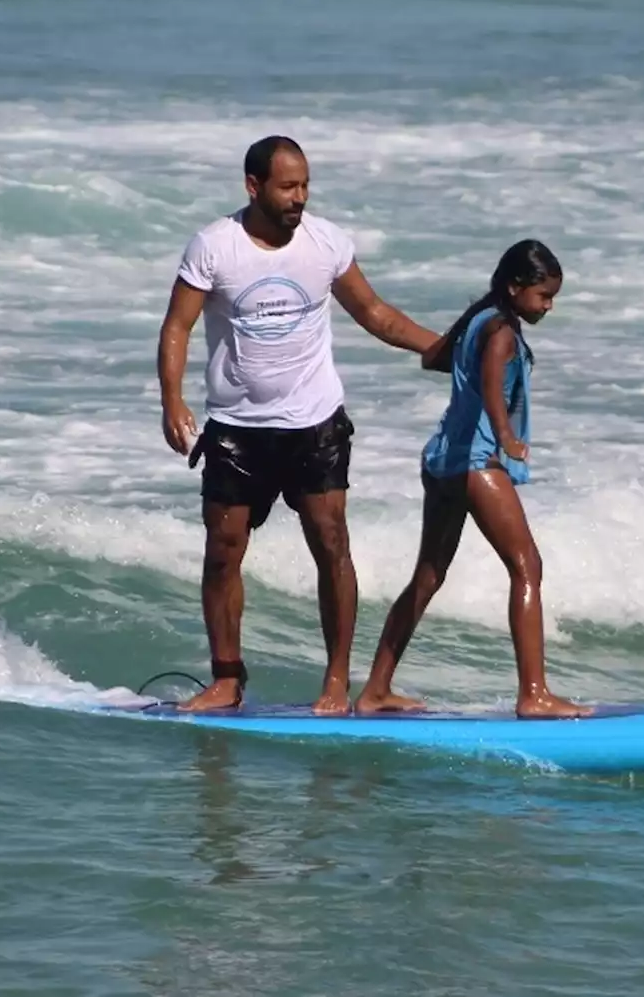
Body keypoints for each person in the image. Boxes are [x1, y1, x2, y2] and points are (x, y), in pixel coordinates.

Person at [158, 135, 441, 715]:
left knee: (332, 544)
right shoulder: (215, 247)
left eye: (305, 185)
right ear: (254, 185)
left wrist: (442, 348)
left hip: (314, 425)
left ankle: (336, 682)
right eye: (288, 186)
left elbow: (374, 312)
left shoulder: (325, 242)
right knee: (222, 553)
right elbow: (177, 327)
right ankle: (227, 680)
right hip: (237, 430)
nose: (300, 197)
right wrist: (172, 401)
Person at [355, 240, 591, 719]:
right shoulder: (501, 329)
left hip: (443, 458)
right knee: (528, 566)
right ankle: (535, 694)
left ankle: (376, 688)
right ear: (515, 287)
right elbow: (489, 385)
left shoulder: (478, 321)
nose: (548, 306)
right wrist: (506, 436)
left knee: (427, 576)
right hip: (476, 461)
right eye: (543, 296)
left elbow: (432, 358)